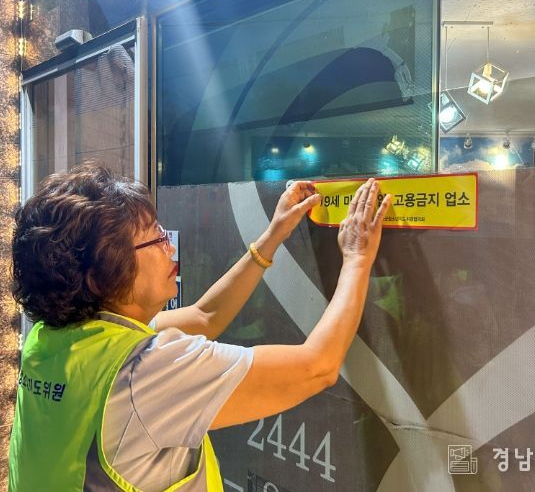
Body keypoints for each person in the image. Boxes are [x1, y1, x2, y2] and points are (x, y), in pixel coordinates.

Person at [9, 164, 391, 491]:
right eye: (154, 239)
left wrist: (273, 235)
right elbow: (316, 367)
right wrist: (357, 258)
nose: (169, 247)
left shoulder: (56, 336)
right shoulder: (143, 372)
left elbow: (205, 317)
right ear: (98, 278)